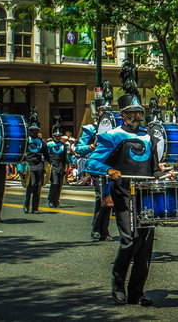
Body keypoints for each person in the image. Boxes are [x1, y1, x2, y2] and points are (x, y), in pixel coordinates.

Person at [85, 86, 161, 307]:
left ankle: (137, 291)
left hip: (146, 196)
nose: (138, 116)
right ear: (123, 115)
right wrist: (109, 170)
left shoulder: (148, 136)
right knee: (129, 241)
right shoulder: (111, 136)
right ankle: (118, 284)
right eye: (134, 112)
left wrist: (162, 173)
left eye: (140, 111)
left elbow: (153, 168)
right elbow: (92, 162)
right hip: (124, 194)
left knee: (146, 244)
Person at [76, 84, 114, 241]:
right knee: (102, 197)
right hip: (97, 166)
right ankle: (96, 228)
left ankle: (104, 229)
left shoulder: (114, 129)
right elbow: (79, 148)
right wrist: (90, 146)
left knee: (110, 199)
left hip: (112, 166)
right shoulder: (90, 129)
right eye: (103, 111)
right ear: (98, 113)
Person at [23, 109, 48, 214]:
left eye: (36, 130)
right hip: (29, 165)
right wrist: (21, 168)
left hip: (39, 165)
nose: (35, 132)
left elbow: (46, 155)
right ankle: (26, 205)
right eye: (33, 130)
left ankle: (35, 208)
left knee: (38, 187)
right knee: (31, 185)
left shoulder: (42, 142)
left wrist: (47, 167)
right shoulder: (26, 140)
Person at [46, 117, 68, 208]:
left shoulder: (63, 145)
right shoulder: (49, 144)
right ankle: (51, 199)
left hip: (61, 165)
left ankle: (56, 200)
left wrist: (66, 166)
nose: (58, 137)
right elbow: (46, 156)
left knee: (59, 185)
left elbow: (65, 157)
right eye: (56, 136)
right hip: (53, 165)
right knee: (54, 183)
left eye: (59, 136)